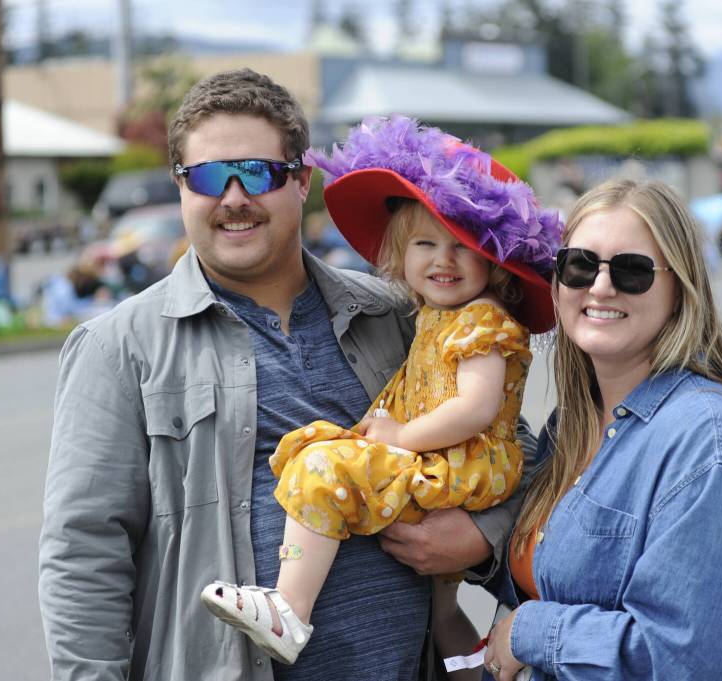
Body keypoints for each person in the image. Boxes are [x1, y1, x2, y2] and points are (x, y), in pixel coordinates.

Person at [39, 69, 535, 681]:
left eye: (256, 172)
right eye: (208, 177)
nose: (233, 197)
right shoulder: (117, 347)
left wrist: (479, 536)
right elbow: (84, 553)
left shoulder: (397, 313)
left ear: (302, 181)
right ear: (180, 188)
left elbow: (515, 444)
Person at [199, 114, 562, 668]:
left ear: (493, 256)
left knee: (325, 468)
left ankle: (290, 606)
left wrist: (400, 436)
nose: (443, 260)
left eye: (462, 246)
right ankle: (478, 672)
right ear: (398, 254)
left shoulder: (482, 320)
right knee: (444, 611)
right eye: (424, 243)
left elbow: (478, 407)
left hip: (456, 465)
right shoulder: (428, 316)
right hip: (447, 463)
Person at [481, 179, 722, 680]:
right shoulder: (570, 425)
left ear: (679, 290)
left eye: (632, 271)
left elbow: (684, 656)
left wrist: (533, 631)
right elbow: (551, 577)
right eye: (580, 265)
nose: (600, 287)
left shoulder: (707, 440)